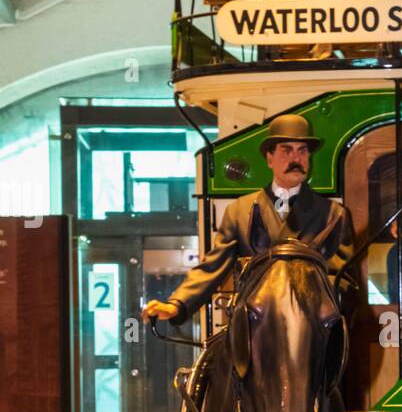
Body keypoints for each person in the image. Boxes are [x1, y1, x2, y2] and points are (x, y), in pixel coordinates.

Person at [142, 115, 355, 327]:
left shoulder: (334, 215)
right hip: (255, 326)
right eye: (286, 150)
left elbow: (343, 279)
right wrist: (177, 304)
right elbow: (213, 266)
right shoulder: (240, 212)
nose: (296, 159)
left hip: (311, 328)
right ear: (270, 159)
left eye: (302, 151)